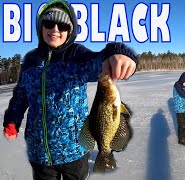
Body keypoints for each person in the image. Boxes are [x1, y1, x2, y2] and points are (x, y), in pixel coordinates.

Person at [2, 0, 138, 179]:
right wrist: (12, 119)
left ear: (70, 30)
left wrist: (118, 54)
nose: (56, 29)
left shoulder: (77, 55)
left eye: (63, 25)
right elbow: (21, 94)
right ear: (40, 27)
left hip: (75, 150)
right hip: (39, 152)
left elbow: (99, 61)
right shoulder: (30, 60)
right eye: (49, 23)